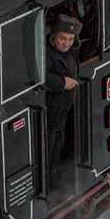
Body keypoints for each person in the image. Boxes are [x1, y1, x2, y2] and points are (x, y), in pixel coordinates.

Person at [44, 14, 82, 194]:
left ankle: (53, 183)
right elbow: (41, 76)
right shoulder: (48, 53)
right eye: (62, 39)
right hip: (51, 111)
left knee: (58, 148)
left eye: (70, 39)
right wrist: (61, 83)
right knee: (48, 152)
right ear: (55, 36)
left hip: (63, 111)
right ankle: (46, 188)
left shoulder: (72, 51)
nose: (66, 43)